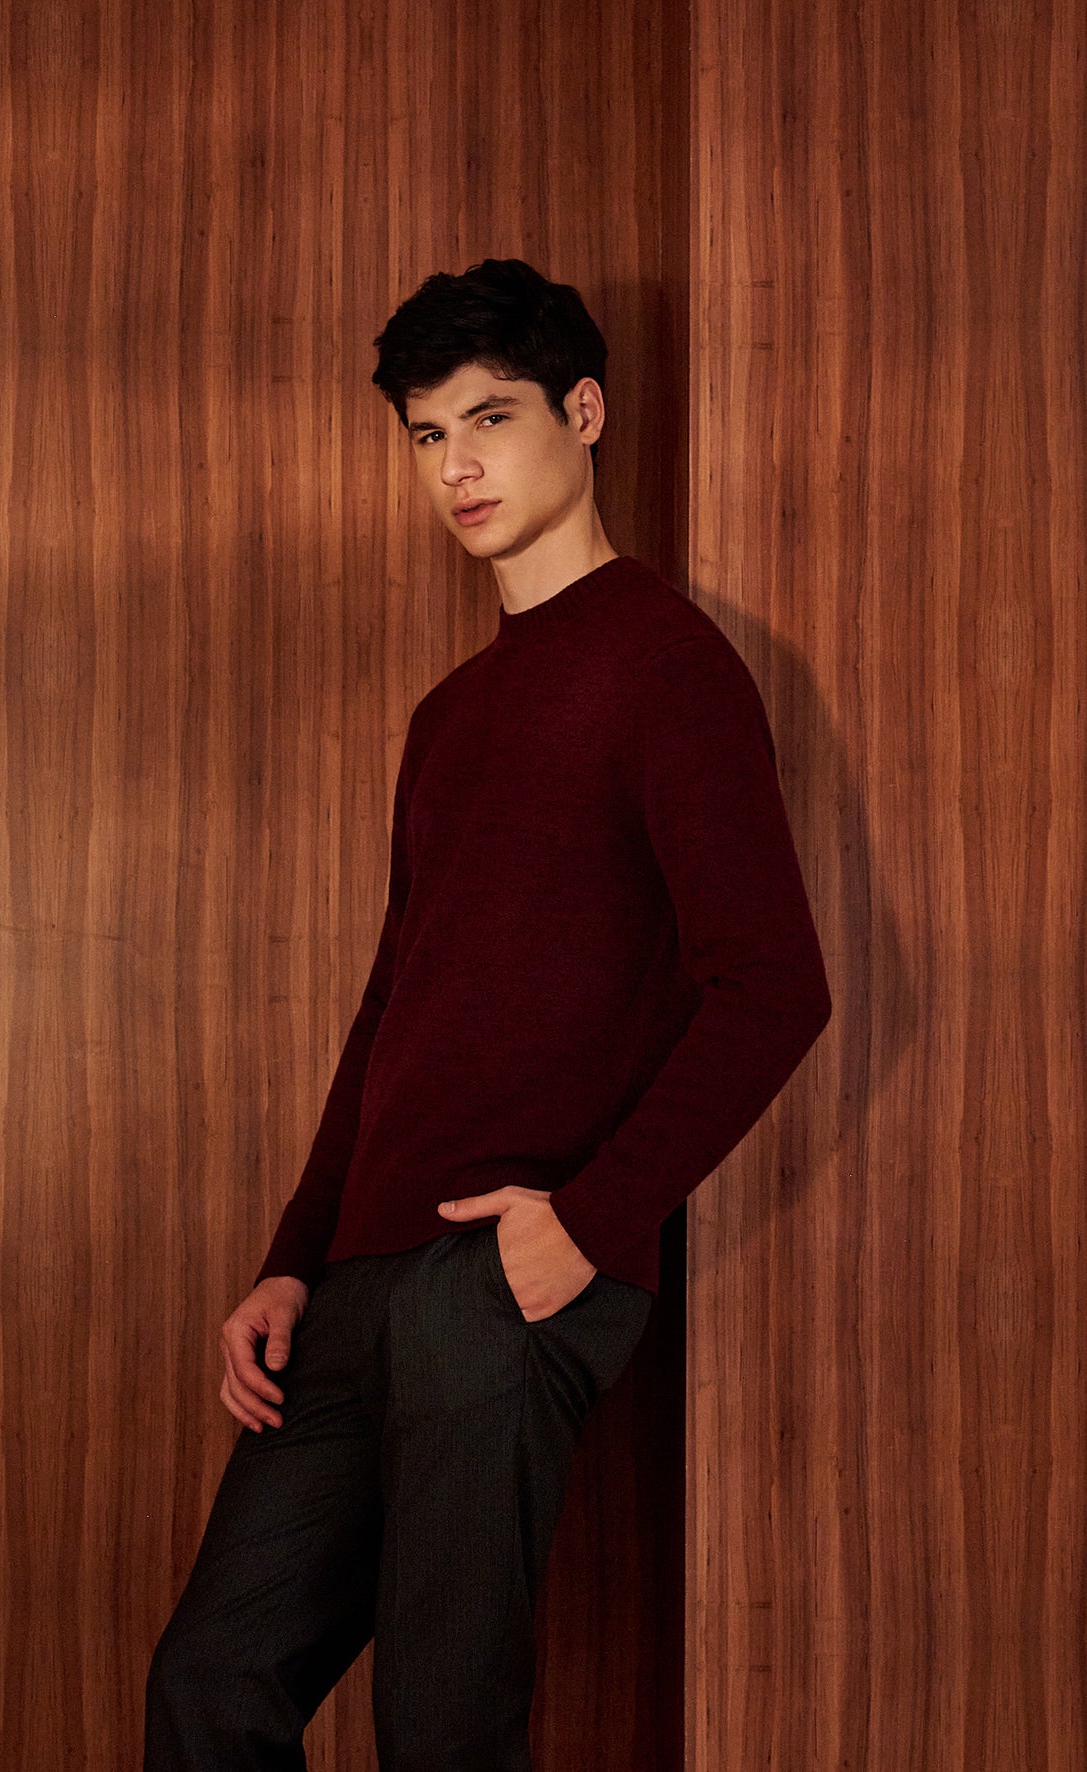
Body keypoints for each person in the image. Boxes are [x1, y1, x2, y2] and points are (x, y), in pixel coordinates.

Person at [144, 257, 832, 1770]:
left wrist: (589, 1221)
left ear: (583, 414)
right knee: (211, 1680)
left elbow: (777, 985)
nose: (455, 465)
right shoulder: (448, 716)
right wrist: (292, 1260)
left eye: (490, 418)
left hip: (505, 1276)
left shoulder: (668, 666)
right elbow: (396, 1005)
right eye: (426, 434)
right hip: (360, 1282)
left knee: (443, 1726)